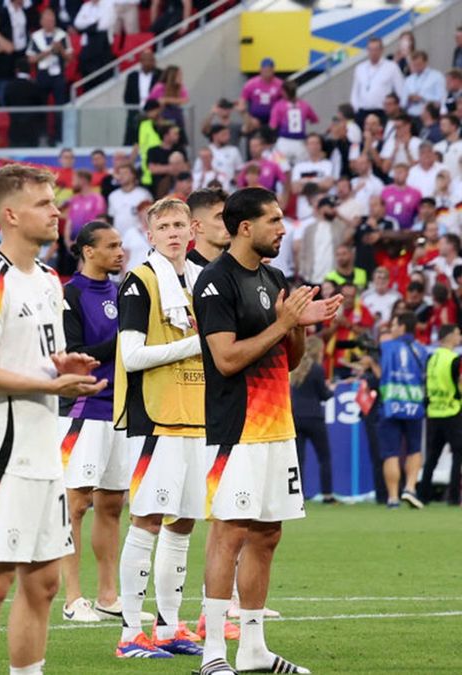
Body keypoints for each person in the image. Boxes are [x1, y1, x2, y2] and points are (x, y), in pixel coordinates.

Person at [0, 163, 104, 673]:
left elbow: (34, 358)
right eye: (44, 203)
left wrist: (62, 366)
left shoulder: (46, 279)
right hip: (1, 455)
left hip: (44, 450)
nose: (56, 211)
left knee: (44, 582)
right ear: (11, 215)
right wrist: (49, 383)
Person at [193, 187, 340, 675]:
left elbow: (290, 360)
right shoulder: (215, 282)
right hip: (237, 428)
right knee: (228, 533)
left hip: (278, 426)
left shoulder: (274, 276)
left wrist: (298, 327)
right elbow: (226, 358)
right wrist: (282, 324)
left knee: (267, 534)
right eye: (274, 220)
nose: (282, 228)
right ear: (244, 228)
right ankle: (214, 650)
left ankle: (254, 650)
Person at [111, 198, 206, 659]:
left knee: (183, 523)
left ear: (193, 230)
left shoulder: (200, 281)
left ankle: (169, 627)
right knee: (147, 520)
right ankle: (131, 635)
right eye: (163, 226)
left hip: (196, 413)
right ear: (149, 236)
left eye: (179, 225)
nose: (172, 233)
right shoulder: (140, 281)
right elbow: (131, 356)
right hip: (154, 417)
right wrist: (195, 345)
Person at [57, 221, 128, 624]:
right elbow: (74, 351)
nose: (120, 252)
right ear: (88, 251)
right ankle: (72, 598)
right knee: (77, 503)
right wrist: (125, 339)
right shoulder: (71, 294)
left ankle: (107, 594)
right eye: (112, 246)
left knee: (113, 504)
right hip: (85, 408)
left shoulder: (120, 292)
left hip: (120, 408)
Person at [376, 312, 429, 510]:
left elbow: (380, 373)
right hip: (414, 404)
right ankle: (409, 487)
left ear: (402, 327)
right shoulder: (422, 350)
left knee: (391, 452)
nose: (392, 328)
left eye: (394, 324)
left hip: (390, 404)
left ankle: (392, 498)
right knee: (415, 449)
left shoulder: (386, 347)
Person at [290, 336, 336, 503]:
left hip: (296, 417)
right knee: (324, 457)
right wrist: (332, 390)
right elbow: (323, 395)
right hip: (314, 417)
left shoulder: (294, 370)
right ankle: (327, 494)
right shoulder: (317, 369)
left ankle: (297, 495)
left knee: (298, 459)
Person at [421, 323, 462, 505]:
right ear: (450, 336)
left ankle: (423, 494)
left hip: (434, 412)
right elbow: (458, 383)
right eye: (458, 333)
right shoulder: (454, 359)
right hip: (452, 410)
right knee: (458, 454)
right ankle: (453, 496)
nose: (459, 337)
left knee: (432, 455)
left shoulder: (432, 357)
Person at [187, 187, 230, 268]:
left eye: (229, 216)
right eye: (220, 217)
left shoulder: (238, 267)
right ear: (198, 226)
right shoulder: (183, 270)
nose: (229, 222)